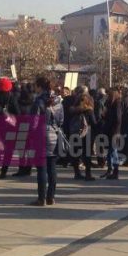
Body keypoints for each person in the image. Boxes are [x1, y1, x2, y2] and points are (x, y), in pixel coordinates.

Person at [31, 77, 63, 206]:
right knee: (52, 168)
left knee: (41, 168)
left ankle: (41, 198)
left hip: (41, 134)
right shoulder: (59, 102)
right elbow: (61, 121)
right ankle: (51, 197)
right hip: (54, 135)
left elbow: (34, 122)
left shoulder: (39, 101)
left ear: (41, 87)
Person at [69, 92, 97, 181]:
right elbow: (93, 122)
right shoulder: (89, 110)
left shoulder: (72, 110)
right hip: (86, 133)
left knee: (75, 153)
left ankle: (77, 173)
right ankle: (88, 174)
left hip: (75, 133)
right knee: (87, 154)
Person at [101, 89, 122, 180]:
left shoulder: (117, 104)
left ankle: (115, 171)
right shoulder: (109, 103)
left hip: (114, 131)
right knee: (110, 151)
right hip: (109, 130)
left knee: (113, 151)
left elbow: (117, 119)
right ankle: (110, 169)